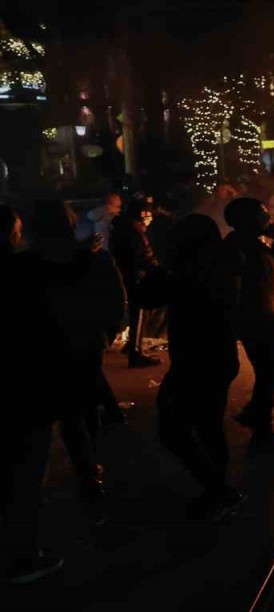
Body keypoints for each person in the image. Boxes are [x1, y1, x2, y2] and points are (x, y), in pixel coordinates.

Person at [1, 204, 94, 583]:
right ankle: (21, 557)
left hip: (21, 385)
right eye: (16, 228)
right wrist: (88, 253)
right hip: (24, 389)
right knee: (23, 475)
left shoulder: (23, 266)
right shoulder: (20, 269)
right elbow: (67, 279)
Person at [139, 215, 245, 519]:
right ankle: (219, 490)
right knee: (209, 426)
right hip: (220, 354)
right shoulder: (225, 260)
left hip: (195, 360)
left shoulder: (188, 269)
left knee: (173, 428)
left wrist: (158, 268)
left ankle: (219, 490)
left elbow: (146, 296)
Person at [29, 199, 127, 525]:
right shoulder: (91, 256)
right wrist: (107, 333)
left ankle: (65, 478)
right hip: (83, 342)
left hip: (43, 347)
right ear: (70, 223)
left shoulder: (28, 263)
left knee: (59, 414)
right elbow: (114, 297)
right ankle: (87, 471)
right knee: (81, 412)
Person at [224, 197, 274, 452]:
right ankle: (261, 431)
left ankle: (257, 414)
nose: (268, 217)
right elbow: (243, 291)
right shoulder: (237, 248)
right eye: (262, 213)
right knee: (270, 368)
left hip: (264, 317)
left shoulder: (253, 245)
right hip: (257, 320)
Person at [110, 199, 162, 367]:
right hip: (136, 274)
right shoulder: (136, 230)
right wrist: (158, 269)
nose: (150, 217)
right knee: (139, 311)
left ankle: (131, 346)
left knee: (136, 310)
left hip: (124, 272)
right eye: (147, 213)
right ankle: (136, 351)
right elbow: (145, 254)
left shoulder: (120, 227)